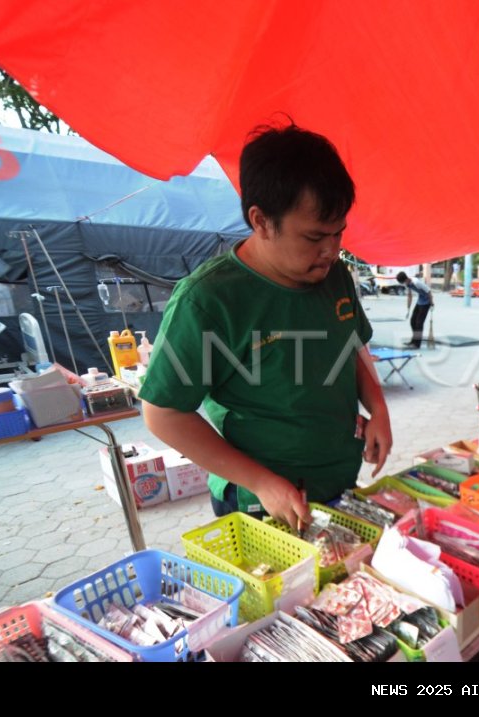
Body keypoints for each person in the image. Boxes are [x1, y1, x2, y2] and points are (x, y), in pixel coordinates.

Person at [139, 123, 392, 530]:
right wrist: (262, 481)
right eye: (314, 236)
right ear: (261, 221)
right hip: (261, 502)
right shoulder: (208, 299)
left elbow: (354, 347)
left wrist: (377, 408)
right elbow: (163, 412)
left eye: (338, 232)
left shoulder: (336, 277)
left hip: (339, 480)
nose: (331, 250)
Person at [397, 270, 432, 348]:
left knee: (419, 323)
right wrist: (408, 309)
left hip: (426, 302)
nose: (404, 284)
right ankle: (413, 341)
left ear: (405, 279)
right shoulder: (408, 284)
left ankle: (417, 344)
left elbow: (429, 291)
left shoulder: (416, 282)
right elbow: (409, 296)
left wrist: (432, 303)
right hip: (420, 301)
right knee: (413, 321)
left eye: (403, 282)